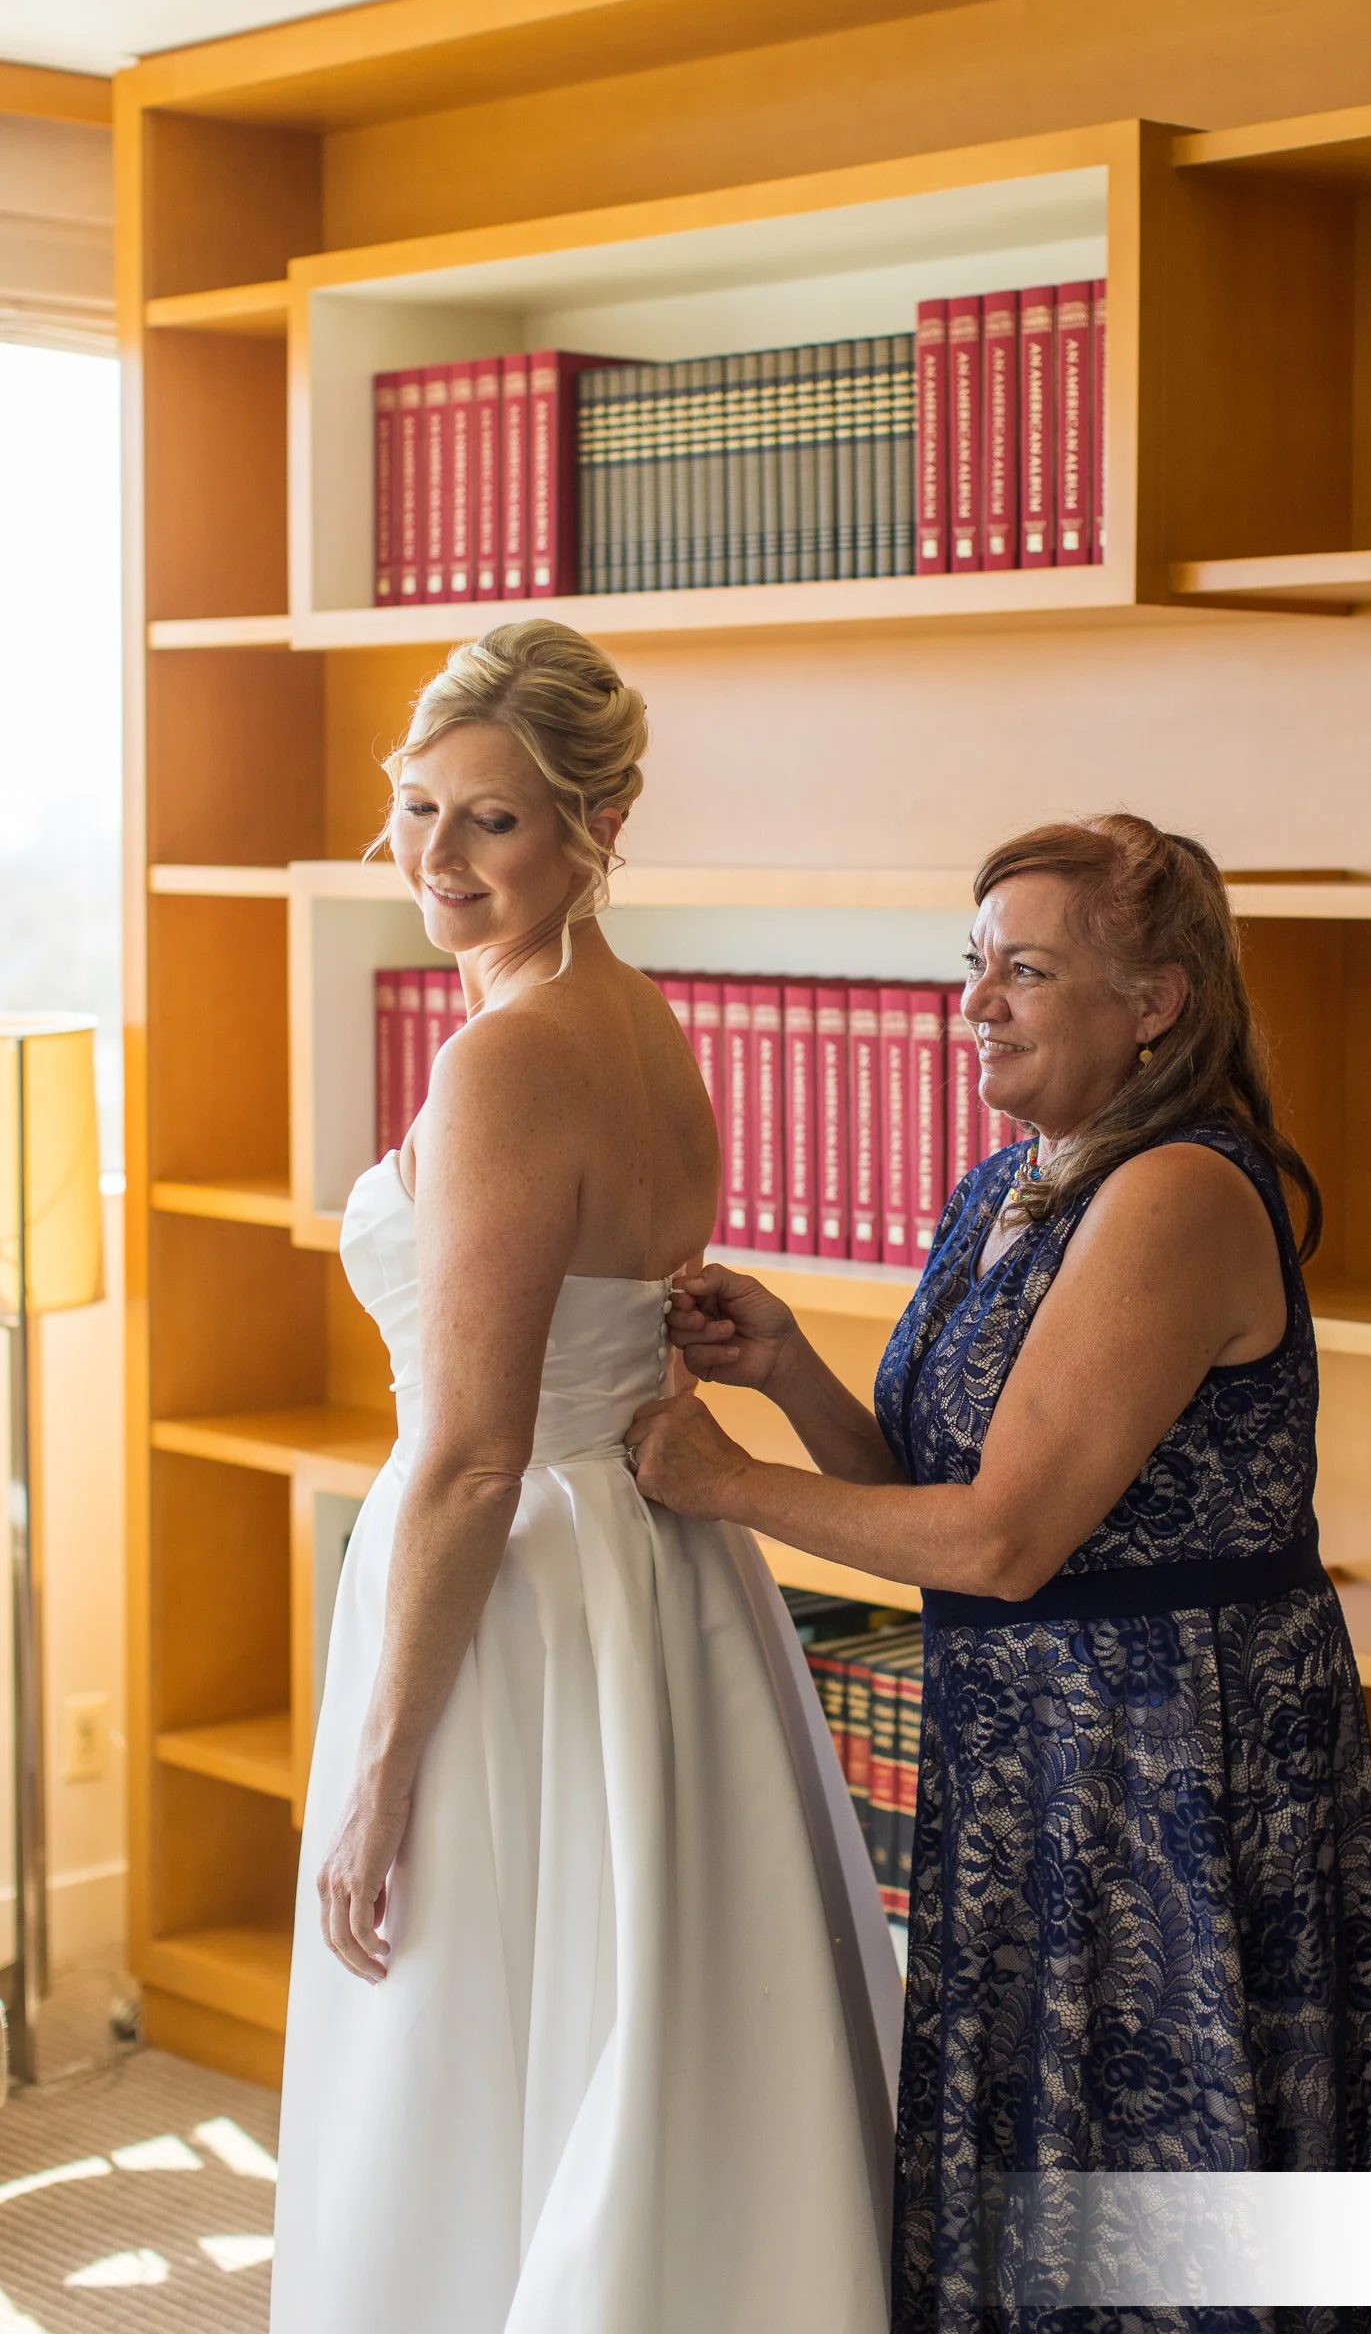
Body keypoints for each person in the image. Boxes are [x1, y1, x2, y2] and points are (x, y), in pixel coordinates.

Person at [628, 814, 1371, 2334]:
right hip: (1028, 1754)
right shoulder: (1008, 1184)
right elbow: (930, 1504)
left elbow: (1002, 1539)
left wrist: (730, 1487)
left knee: (1170, 2212)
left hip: (1168, 1761)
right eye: (972, 964)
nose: (976, 1002)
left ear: (1156, 1003)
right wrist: (788, 1368)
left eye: (1027, 969)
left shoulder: (1181, 1192)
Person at [272, 622, 900, 2334]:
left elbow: (474, 1463)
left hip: (521, 1597)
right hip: (658, 1570)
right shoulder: (649, 1029)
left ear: (591, 823)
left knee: (465, 2021)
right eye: (417, 812)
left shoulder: (505, 1061)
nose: (437, 859)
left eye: (493, 821)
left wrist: (386, 1771)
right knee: (649, 2004)